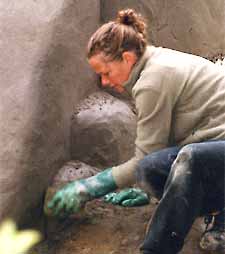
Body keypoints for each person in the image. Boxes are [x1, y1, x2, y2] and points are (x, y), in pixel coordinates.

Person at [47, 9, 225, 254]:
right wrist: (146, 189)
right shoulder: (152, 66)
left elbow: (151, 154)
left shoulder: (154, 78)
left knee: (190, 158)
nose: (104, 82)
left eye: (106, 73)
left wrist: (87, 188)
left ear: (128, 58)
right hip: (217, 149)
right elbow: (152, 156)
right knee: (150, 169)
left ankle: (156, 249)